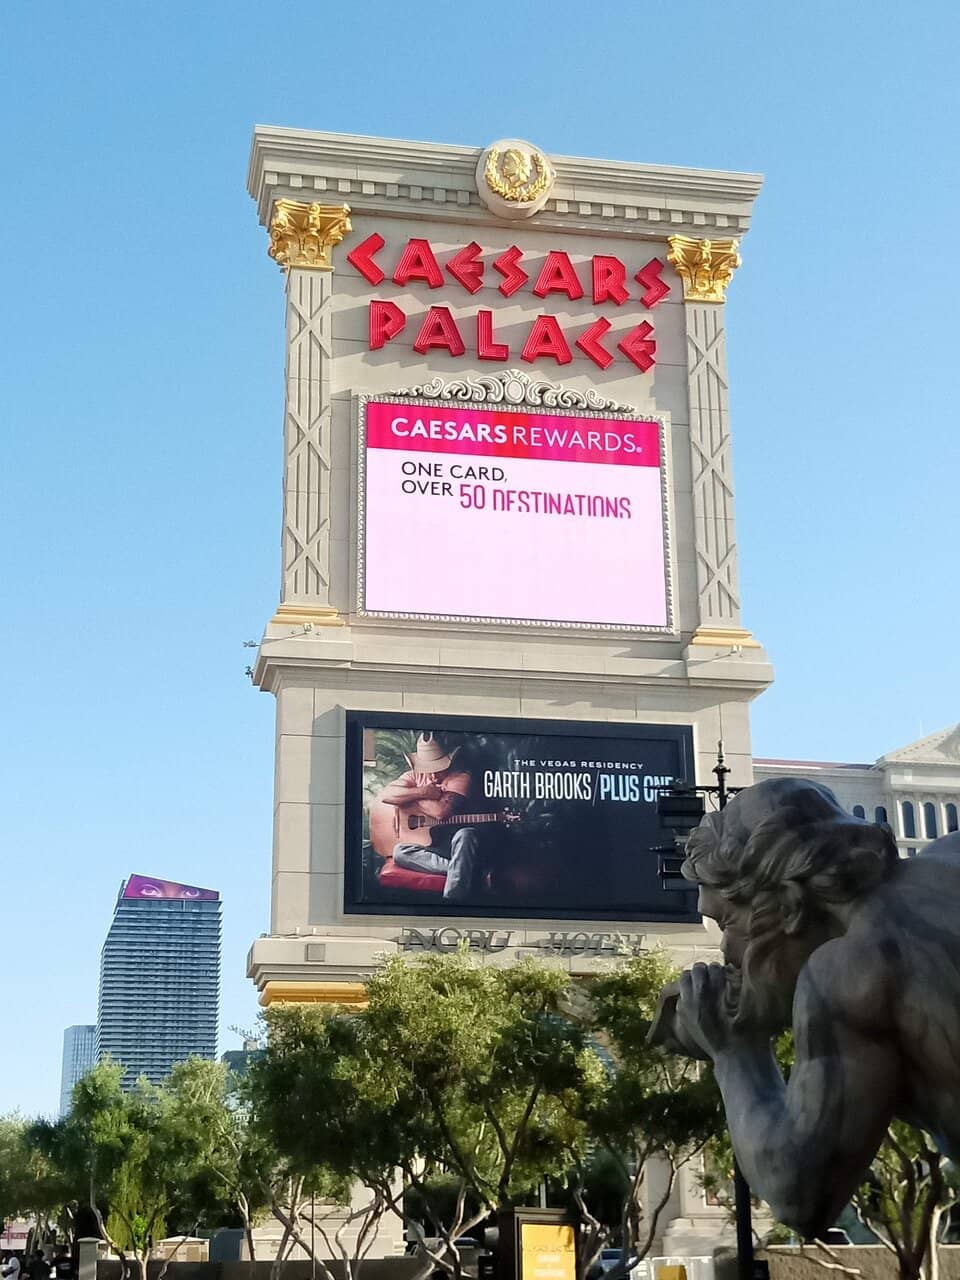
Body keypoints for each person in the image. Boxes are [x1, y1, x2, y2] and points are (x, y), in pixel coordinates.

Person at [651, 777, 960, 1240]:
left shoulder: (851, 971)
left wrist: (736, 1053)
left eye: (727, 920)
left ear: (789, 903)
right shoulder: (951, 852)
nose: (726, 951)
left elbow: (800, 1193)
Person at [376, 733, 480, 901]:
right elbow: (387, 795)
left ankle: (452, 901)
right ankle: (460, 869)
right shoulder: (413, 776)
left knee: (466, 834)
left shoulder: (460, 778)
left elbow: (441, 812)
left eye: (437, 769)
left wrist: (409, 798)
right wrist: (423, 792)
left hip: (454, 846)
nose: (431, 775)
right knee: (400, 852)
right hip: (431, 846)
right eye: (427, 768)